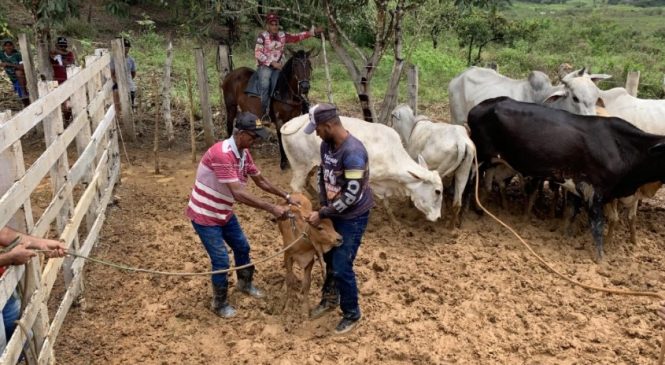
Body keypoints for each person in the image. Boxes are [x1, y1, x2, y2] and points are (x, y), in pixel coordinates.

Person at [186, 111, 295, 318]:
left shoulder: (243, 153)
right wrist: (272, 208)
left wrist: (286, 196)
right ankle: (219, 303)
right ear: (242, 134)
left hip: (223, 211)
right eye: (253, 137)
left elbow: (260, 181)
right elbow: (239, 193)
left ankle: (245, 284)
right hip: (206, 215)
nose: (256, 141)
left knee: (242, 247)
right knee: (221, 260)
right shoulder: (222, 154)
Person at [305, 103, 373, 335]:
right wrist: (323, 203)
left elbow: (352, 194)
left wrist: (323, 213)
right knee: (331, 258)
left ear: (329, 125)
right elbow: (324, 173)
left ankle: (352, 313)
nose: (316, 133)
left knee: (343, 265)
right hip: (333, 211)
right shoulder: (327, 144)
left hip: (352, 217)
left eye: (317, 129)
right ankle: (330, 298)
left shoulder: (353, 153)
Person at [0, 226, 66, 351]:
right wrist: (9, 258)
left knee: (23, 338)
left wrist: (42, 244)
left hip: (4, 288)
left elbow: (4, 233)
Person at [254, 13, 323, 121]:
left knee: (291, 80)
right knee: (265, 83)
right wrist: (272, 63)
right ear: (267, 25)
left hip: (279, 66)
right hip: (265, 66)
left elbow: (296, 37)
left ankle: (303, 103)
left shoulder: (282, 35)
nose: (274, 26)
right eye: (272, 24)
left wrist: (312, 33)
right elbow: (258, 53)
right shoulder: (262, 37)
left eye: (276, 24)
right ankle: (264, 113)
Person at [0, 39, 30, 107]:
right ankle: (28, 106)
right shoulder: (1, 54)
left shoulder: (17, 55)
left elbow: (22, 67)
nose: (8, 47)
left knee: (18, 72)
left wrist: (8, 64)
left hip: (21, 77)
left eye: (10, 45)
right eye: (6, 46)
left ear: (13, 46)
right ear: (4, 47)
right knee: (20, 93)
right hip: (12, 78)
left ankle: (28, 104)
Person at [110, 38, 137, 109]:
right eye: (125, 48)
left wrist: (127, 80)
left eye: (128, 48)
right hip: (118, 83)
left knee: (132, 96)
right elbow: (112, 74)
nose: (127, 50)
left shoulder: (131, 60)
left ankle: (132, 109)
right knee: (117, 100)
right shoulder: (114, 59)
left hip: (129, 83)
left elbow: (133, 73)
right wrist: (118, 82)